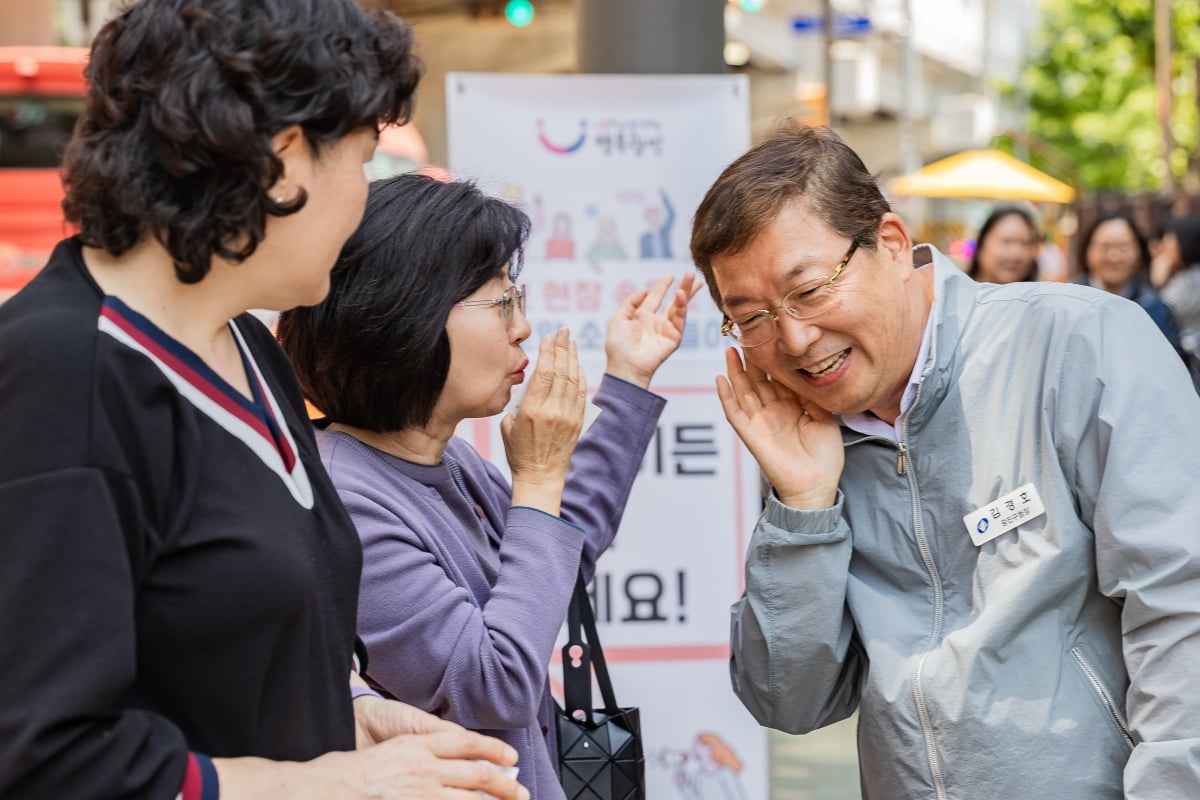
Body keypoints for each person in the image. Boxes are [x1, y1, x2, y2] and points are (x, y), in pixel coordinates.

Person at [0, 2, 528, 799]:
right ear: (284, 164)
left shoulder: (246, 345)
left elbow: (218, 651)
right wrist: (332, 785)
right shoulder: (65, 376)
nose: (363, 200)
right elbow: (50, 754)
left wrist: (346, 716)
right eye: (359, 162)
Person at [688, 122, 1200, 799]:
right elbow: (790, 701)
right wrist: (802, 507)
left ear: (893, 245)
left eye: (809, 290)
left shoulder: (1081, 342)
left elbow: (1181, 603)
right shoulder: (805, 432)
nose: (793, 338)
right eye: (750, 317)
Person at [277, 173, 699, 799]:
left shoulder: (439, 460)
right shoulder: (347, 501)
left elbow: (554, 565)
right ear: (406, 317)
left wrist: (628, 381)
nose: (522, 327)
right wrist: (536, 475)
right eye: (501, 302)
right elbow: (491, 685)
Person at [1071, 212, 1180, 349]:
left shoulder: (1153, 307)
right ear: (1087, 251)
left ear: (1139, 252)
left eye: (1124, 247)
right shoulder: (1070, 301)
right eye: (1105, 247)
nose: (1114, 257)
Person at [1160, 215, 1200, 391]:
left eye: (1170, 241)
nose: (1164, 246)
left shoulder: (1190, 281)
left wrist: (1158, 282)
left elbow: (1163, 311)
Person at [967, 206, 1040, 284]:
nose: (1016, 253)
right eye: (1006, 241)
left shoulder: (1039, 293)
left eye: (1025, 243)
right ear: (981, 246)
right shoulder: (956, 292)